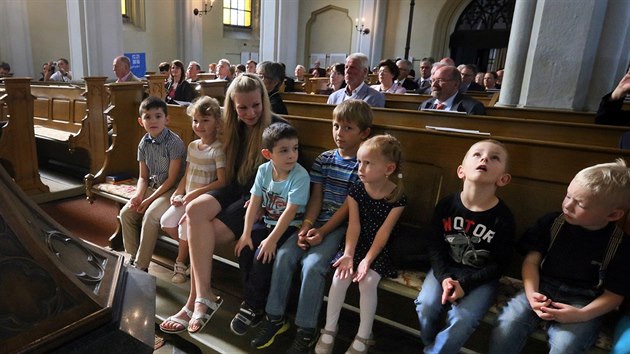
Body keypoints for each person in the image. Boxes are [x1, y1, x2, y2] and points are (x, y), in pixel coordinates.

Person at [158, 73, 289, 335]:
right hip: (233, 191)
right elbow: (227, 179)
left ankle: (196, 302)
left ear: (264, 100)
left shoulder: (277, 129)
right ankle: (202, 296)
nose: (250, 112)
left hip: (256, 200)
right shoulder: (233, 126)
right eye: (242, 107)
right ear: (232, 106)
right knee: (194, 212)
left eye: (255, 105)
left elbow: (286, 178)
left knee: (197, 233)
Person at [250, 99, 373, 353]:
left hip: (340, 226)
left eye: (348, 128)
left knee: (313, 265)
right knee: (283, 255)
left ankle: (307, 329)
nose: (339, 133)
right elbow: (316, 197)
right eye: (336, 126)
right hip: (313, 220)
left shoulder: (363, 165)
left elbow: (349, 207)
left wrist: (323, 231)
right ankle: (275, 318)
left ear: (364, 133)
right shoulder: (325, 159)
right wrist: (307, 225)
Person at [489, 159, 630, 354]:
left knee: (566, 345)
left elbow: (614, 295)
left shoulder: (620, 245)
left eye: (580, 204)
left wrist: (581, 315)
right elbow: (531, 261)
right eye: (568, 196)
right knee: (507, 324)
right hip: (540, 287)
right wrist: (532, 295)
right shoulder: (552, 223)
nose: (568, 206)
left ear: (613, 215)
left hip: (585, 302)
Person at [415, 139, 515, 354]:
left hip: (481, 277)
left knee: (462, 318)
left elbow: (500, 264)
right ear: (461, 171)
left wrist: (465, 284)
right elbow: (435, 245)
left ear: (503, 179)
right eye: (477, 155)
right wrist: (444, 278)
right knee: (426, 305)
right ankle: (429, 345)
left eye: (494, 157)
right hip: (445, 269)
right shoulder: (447, 205)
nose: (484, 159)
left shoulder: (503, 218)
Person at [316, 134, 407, 354]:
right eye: (359, 162)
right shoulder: (357, 189)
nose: (360, 168)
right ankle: (329, 329)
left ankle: (363, 336)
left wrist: (367, 260)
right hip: (356, 242)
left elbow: (384, 234)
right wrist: (348, 254)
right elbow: (354, 226)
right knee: (340, 277)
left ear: (388, 168)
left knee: (367, 281)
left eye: (367, 163)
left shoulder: (397, 196)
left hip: (379, 248)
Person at [230, 122, 310, 337]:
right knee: (244, 249)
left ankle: (252, 305)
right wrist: (246, 233)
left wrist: (272, 240)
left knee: (263, 255)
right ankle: (253, 301)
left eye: (295, 148)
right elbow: (255, 202)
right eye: (284, 150)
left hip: (288, 227)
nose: (292, 155)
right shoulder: (264, 170)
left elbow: (290, 213)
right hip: (266, 221)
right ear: (268, 154)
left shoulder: (300, 176)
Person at [159, 96, 225, 284]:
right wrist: (178, 192)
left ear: (217, 123)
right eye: (196, 120)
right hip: (187, 197)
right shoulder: (193, 146)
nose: (199, 125)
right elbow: (187, 174)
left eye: (205, 120)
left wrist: (195, 193)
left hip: (204, 202)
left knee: (184, 226)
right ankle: (196, 250)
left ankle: (180, 262)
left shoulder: (218, 149)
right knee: (166, 222)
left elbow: (222, 181)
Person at [120, 96, 187, 272]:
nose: (153, 121)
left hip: (171, 190)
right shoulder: (143, 143)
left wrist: (148, 201)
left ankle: (141, 267)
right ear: (140, 121)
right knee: (126, 213)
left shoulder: (174, 142)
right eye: (147, 117)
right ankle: (132, 258)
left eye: (158, 116)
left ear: (167, 119)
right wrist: (138, 196)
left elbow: (172, 179)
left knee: (150, 215)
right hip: (152, 187)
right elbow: (143, 177)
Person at [418, 65, 486, 115]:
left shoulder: (472, 107)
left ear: (455, 84)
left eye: (440, 80)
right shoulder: (425, 105)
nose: (433, 85)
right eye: (432, 80)